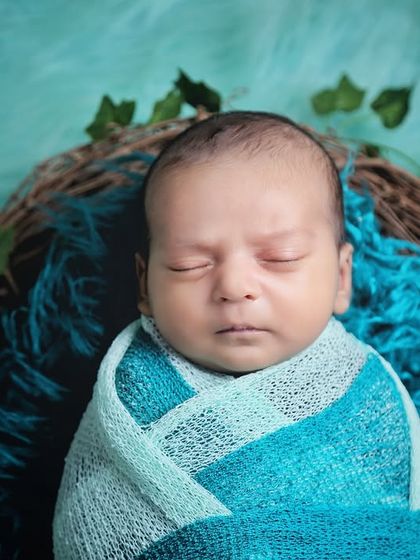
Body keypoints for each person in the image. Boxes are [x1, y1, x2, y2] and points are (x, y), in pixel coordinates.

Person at [53, 111, 420, 559]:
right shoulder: (133, 396)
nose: (233, 287)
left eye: (280, 258)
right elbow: (91, 521)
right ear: (145, 284)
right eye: (190, 265)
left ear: (342, 278)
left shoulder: (366, 397)